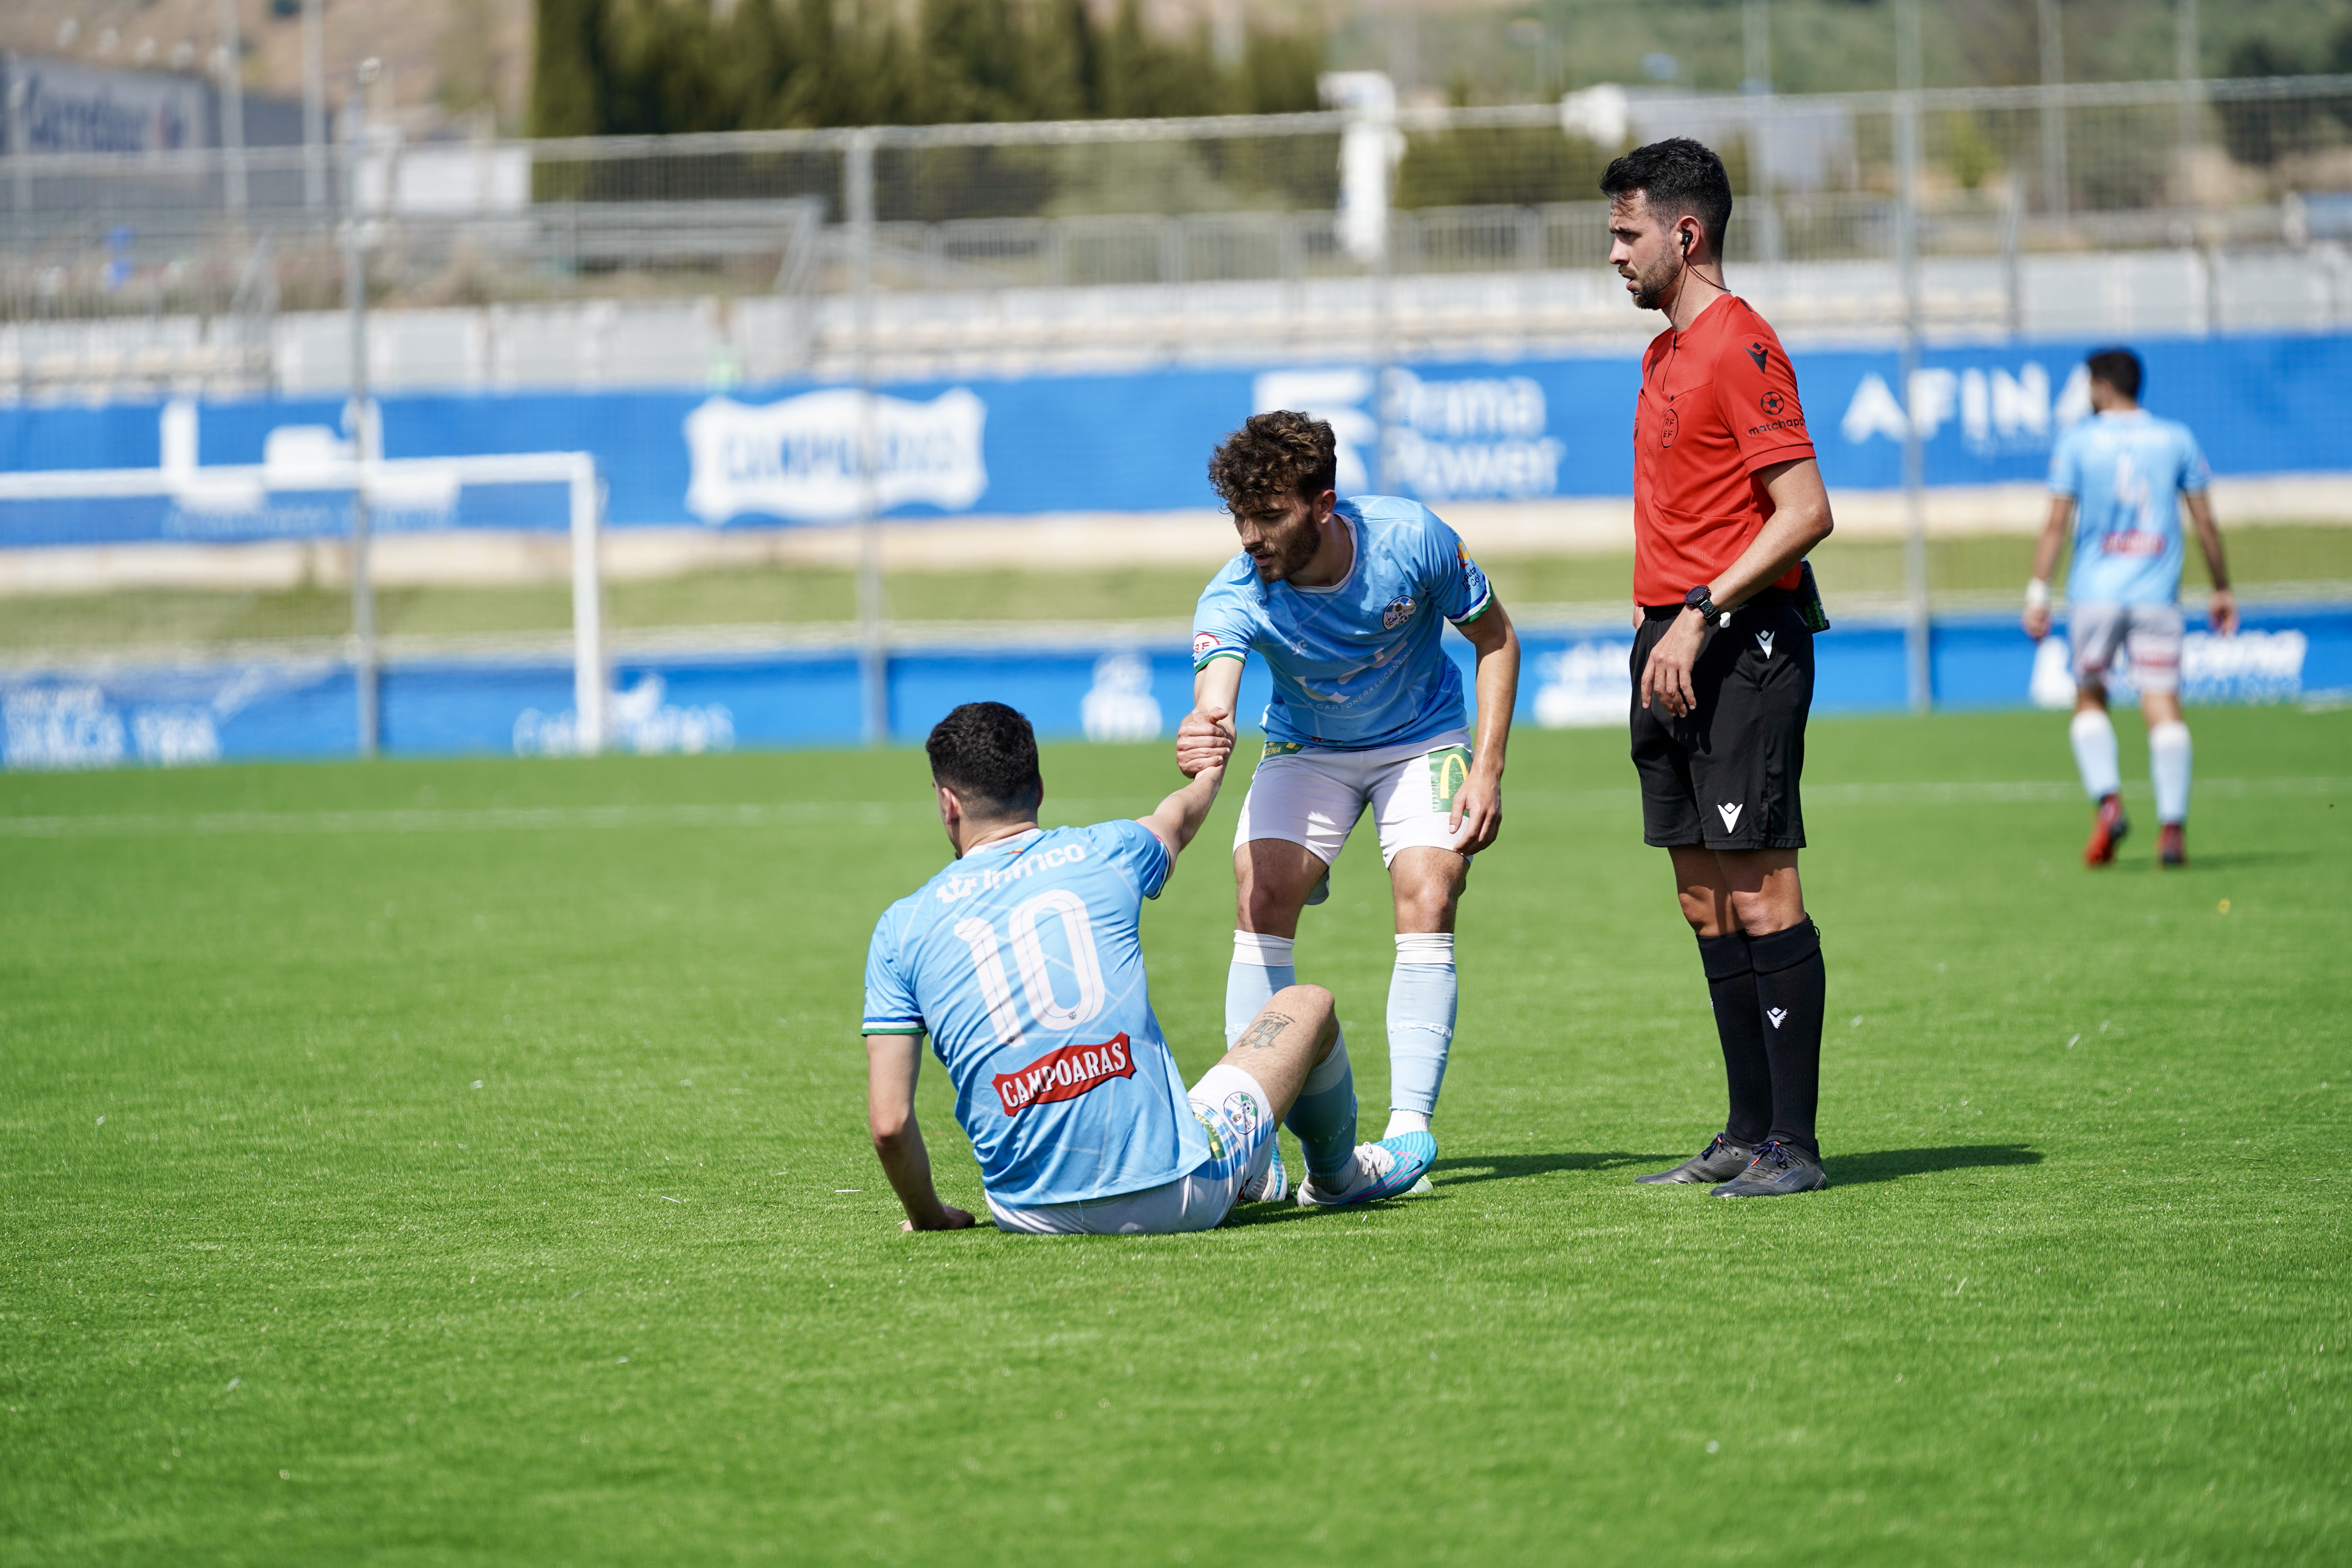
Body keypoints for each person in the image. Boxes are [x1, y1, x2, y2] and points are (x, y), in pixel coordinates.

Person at [860, 701, 1421, 1236]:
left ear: (948, 803)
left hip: (1025, 1209)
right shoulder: (1109, 850)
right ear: (1038, 788)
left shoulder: (900, 927)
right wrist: (1209, 776)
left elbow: (889, 1125)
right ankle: (1336, 1180)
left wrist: (932, 1216)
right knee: (1307, 1005)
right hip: (1178, 1195)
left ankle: (1257, 1169)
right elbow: (1174, 820)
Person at [1173, 410, 1521, 1188]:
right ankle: (1251, 1148)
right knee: (1261, 890)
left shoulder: (1414, 539)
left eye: (1269, 516)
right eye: (1239, 518)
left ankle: (1406, 1136)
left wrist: (1487, 766)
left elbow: (1495, 638)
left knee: (1430, 889)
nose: (1249, 536)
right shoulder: (1236, 592)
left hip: (1422, 740)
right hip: (1311, 749)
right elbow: (1217, 694)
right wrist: (1206, 723)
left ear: (1324, 503)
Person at [1601, 137, 1838, 1198]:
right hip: (1670, 644)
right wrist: (1666, 628)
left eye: (1627, 232)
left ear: (1685, 233)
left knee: (1762, 890)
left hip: (1741, 645)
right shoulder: (1663, 355)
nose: (1614, 253)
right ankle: (1746, 1132)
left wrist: (1701, 612)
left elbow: (1807, 513)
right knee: (1704, 902)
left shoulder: (1741, 345)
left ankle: (1797, 1142)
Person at [2023, 347, 2235, 869]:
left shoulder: (2078, 442)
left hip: (2095, 594)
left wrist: (2037, 591)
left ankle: (2110, 800)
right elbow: (2205, 521)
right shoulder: (2176, 438)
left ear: (2100, 388)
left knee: (2090, 697)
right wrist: (2222, 587)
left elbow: (2056, 524)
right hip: (2157, 596)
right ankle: (2172, 828)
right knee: (2163, 705)